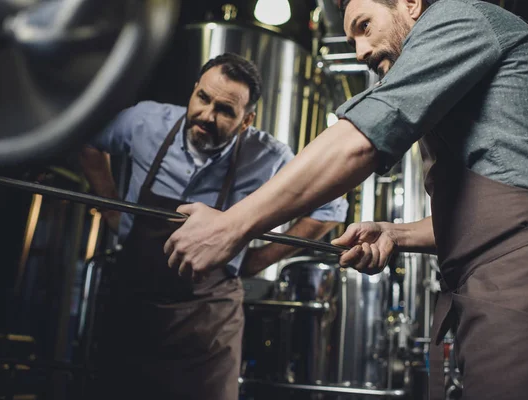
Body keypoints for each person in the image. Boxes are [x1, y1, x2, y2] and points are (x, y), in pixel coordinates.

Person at [164, 0, 528, 399]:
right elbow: (502, 210)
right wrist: (395, 233)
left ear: (411, 4)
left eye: (364, 25)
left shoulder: (460, 17)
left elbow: (361, 139)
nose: (360, 52)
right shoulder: (459, 84)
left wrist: (232, 224)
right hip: (497, 277)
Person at [80, 53, 348, 399]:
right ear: (193, 91)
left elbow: (331, 208)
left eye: (225, 110)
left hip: (208, 325)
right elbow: (90, 142)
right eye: (203, 98)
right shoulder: (146, 121)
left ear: (247, 119)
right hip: (133, 309)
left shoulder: (268, 156)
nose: (207, 115)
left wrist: (259, 259)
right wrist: (110, 211)